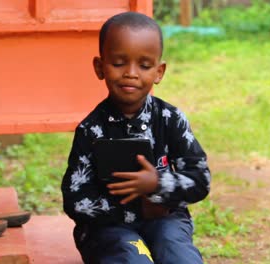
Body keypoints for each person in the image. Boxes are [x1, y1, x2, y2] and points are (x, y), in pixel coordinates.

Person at [61, 11, 211, 264]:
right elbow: (75, 199)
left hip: (165, 219)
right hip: (108, 229)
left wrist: (158, 184)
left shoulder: (170, 119)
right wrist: (135, 208)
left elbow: (200, 180)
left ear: (159, 71)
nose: (131, 73)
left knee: (177, 252)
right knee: (130, 256)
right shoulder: (90, 129)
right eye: (119, 63)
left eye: (144, 65)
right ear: (100, 67)